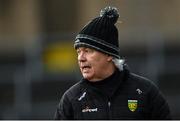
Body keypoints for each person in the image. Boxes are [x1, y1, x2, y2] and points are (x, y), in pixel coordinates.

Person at [54, 6, 171, 120]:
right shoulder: (71, 99)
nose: (81, 58)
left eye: (87, 51)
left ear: (109, 54)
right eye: (78, 52)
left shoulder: (146, 92)